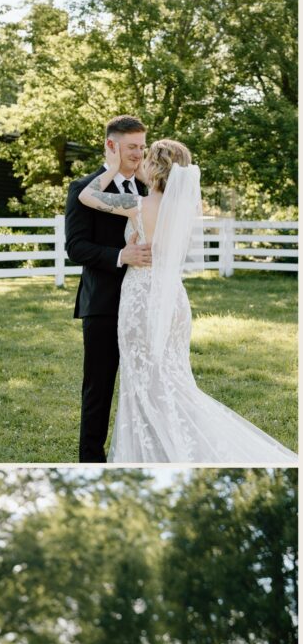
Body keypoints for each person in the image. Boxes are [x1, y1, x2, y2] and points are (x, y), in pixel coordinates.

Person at [99, 138, 297, 464]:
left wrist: (114, 163)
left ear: (154, 166)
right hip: (174, 298)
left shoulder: (135, 204)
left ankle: (157, 451)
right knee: (172, 378)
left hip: (141, 298)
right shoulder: (183, 207)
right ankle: (168, 445)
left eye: (146, 158)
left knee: (143, 380)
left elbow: (87, 195)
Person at [65, 118, 150, 464]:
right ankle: (91, 460)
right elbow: (76, 247)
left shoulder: (148, 191)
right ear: (112, 146)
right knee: (98, 388)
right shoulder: (82, 188)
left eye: (143, 146)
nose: (139, 153)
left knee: (144, 385)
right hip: (103, 303)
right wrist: (120, 255)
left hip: (144, 301)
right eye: (132, 146)